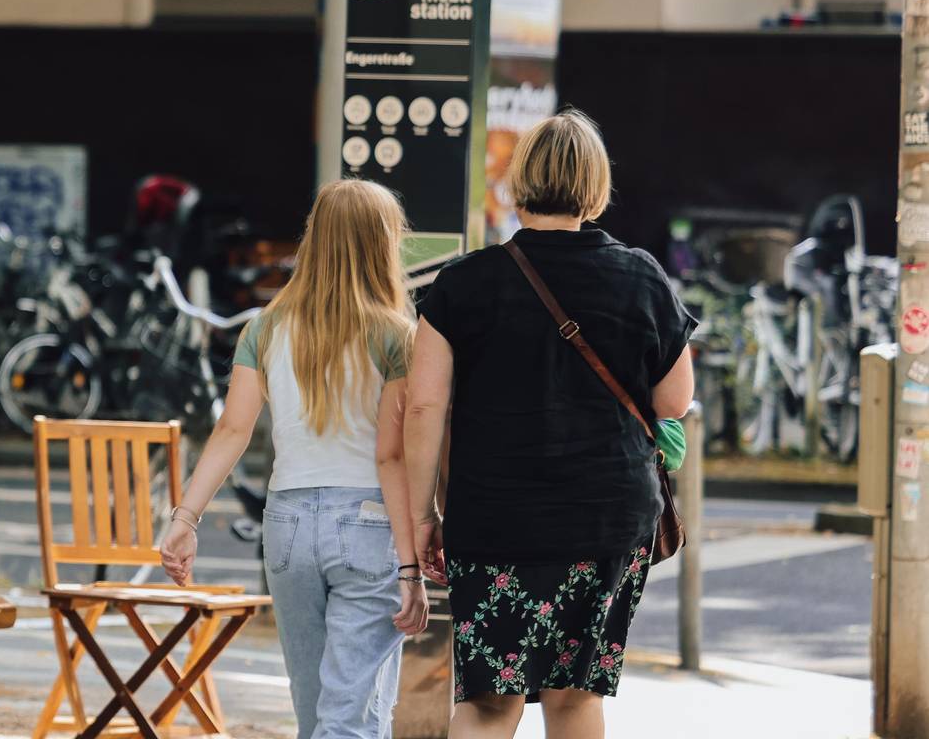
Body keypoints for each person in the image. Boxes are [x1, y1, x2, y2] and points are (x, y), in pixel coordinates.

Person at [404, 111, 697, 739]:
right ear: (595, 188)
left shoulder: (462, 283)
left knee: (489, 701)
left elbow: (425, 408)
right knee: (575, 694)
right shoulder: (642, 276)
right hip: (606, 518)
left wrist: (426, 513)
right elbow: (674, 402)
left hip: (495, 520)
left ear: (518, 182)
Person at [160, 179, 429, 739]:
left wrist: (185, 519)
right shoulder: (396, 335)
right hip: (368, 524)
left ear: (315, 240)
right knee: (350, 716)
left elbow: (233, 429)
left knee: (315, 711)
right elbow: (391, 458)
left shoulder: (265, 327)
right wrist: (409, 565)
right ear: (383, 244)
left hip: (285, 525)